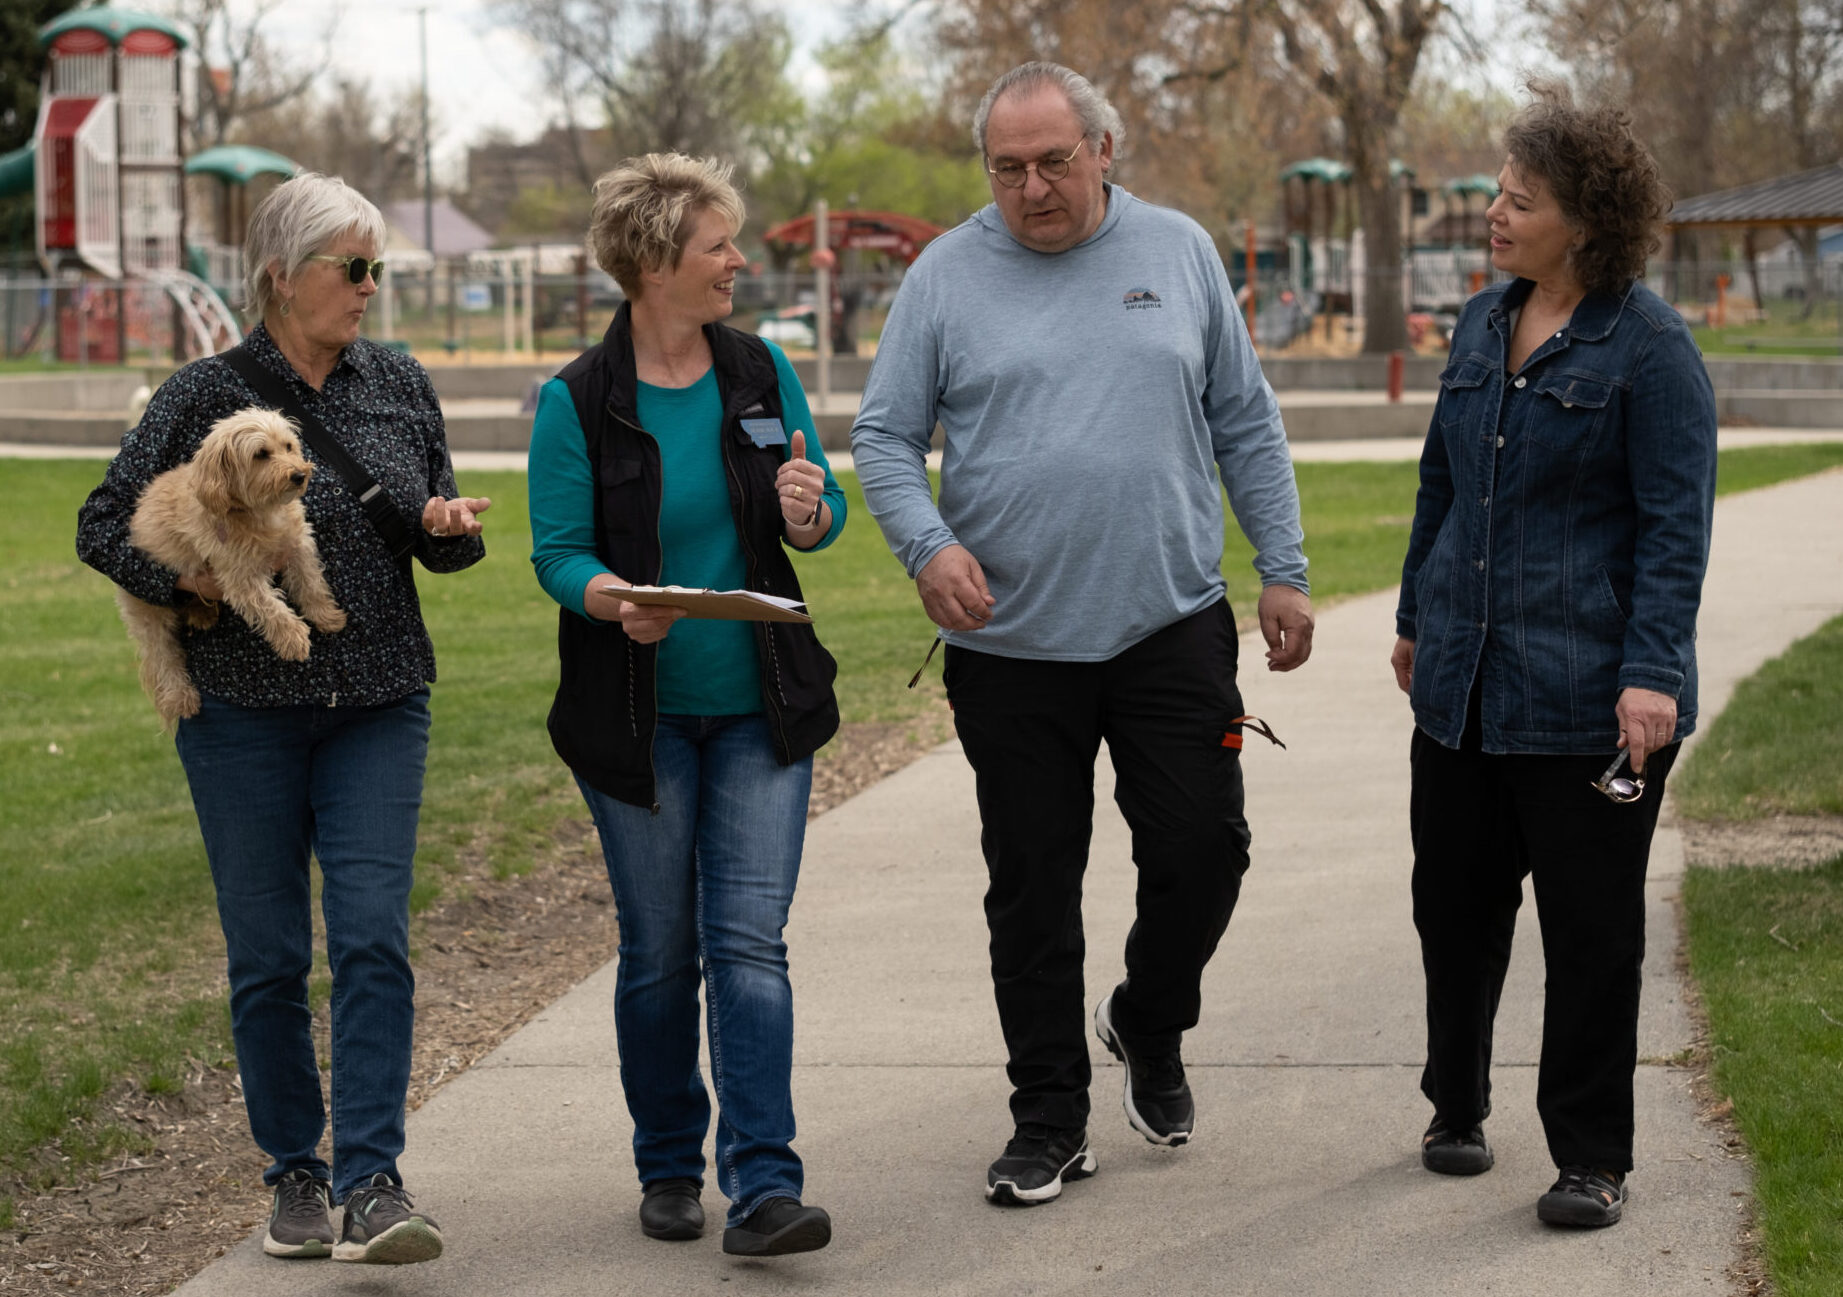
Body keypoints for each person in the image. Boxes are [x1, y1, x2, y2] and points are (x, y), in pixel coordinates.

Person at [850, 62, 1314, 1207]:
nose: (1032, 187)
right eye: (1007, 168)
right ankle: (1048, 1116)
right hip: (1009, 649)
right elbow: (882, 437)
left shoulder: (1179, 252)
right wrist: (928, 547)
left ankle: (1147, 1021)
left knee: (1205, 848)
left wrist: (1284, 571)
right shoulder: (945, 275)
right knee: (1032, 889)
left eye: (1054, 161)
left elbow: (1244, 420)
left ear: (1106, 149)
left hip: (1169, 626)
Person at [76, 173, 491, 1264]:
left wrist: (449, 525)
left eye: (375, 269)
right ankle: (294, 1176)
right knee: (267, 955)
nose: (368, 288)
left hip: (378, 702)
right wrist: (193, 593)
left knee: (371, 938)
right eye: (349, 269)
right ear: (280, 276)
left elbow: (436, 533)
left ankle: (371, 1179)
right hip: (244, 715)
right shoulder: (201, 395)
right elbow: (102, 524)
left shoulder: (398, 384)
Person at [1391, 85, 1716, 1229]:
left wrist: (1653, 674)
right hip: (1461, 691)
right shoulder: (1482, 322)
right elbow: (1438, 480)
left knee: (1589, 937)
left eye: (1517, 200)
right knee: (1454, 909)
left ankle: (1590, 1156)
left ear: (1581, 221)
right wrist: (1412, 615)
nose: (1493, 212)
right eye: (1496, 191)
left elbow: (1676, 525)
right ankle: (1454, 1102)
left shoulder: (1651, 350)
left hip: (1587, 696)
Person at [527, 153, 846, 1257]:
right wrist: (615, 600)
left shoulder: (760, 369)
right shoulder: (577, 399)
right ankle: (668, 1161)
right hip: (636, 717)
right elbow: (558, 553)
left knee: (748, 942)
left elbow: (819, 505)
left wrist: (810, 511)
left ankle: (763, 1186)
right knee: (661, 950)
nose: (738, 262)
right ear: (657, 260)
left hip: (764, 707)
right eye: (719, 245)